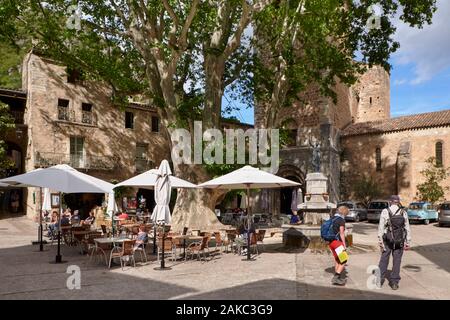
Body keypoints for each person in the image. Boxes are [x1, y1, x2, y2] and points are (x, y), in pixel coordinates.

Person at [378, 195, 411, 290]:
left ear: (390, 201)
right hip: (399, 239)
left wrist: (380, 241)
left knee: (384, 259)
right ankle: (394, 282)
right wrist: (408, 241)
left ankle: (380, 280)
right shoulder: (403, 212)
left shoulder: (385, 211)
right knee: (397, 260)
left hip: (387, 239)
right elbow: (407, 227)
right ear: (398, 202)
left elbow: (381, 227)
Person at [329, 205, 349, 286]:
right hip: (338, 243)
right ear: (344, 212)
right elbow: (341, 233)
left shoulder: (332, 218)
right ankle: (336, 277)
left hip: (331, 242)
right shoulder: (341, 220)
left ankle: (338, 277)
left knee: (337, 259)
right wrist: (344, 245)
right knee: (344, 260)